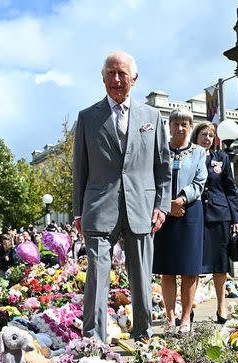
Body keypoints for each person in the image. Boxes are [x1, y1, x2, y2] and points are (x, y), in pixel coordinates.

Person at [72, 51, 171, 343]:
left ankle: (144, 336)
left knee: (141, 277)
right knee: (97, 276)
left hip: (141, 207)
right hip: (99, 209)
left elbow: (162, 167)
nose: (116, 80)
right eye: (110, 74)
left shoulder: (152, 117)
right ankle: (94, 341)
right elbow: (81, 169)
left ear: (134, 79)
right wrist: (78, 212)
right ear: (103, 78)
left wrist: (162, 206)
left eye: (122, 74)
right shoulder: (88, 117)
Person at [153, 108, 207, 335]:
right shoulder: (160, 150)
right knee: (167, 270)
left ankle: (185, 318)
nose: (180, 128)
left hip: (190, 213)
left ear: (190, 126)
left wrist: (182, 199)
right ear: (169, 126)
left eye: (185, 124)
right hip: (164, 214)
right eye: (176, 123)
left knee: (188, 270)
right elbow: (153, 180)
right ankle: (170, 317)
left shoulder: (199, 152)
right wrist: (168, 204)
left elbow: (200, 181)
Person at [193, 121, 238, 324]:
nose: (207, 139)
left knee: (220, 265)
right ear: (195, 137)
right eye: (203, 134)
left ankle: (221, 306)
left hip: (220, 214)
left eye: (211, 135)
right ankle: (189, 306)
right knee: (192, 264)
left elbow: (230, 188)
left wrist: (235, 218)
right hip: (195, 215)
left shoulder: (222, 158)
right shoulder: (188, 156)